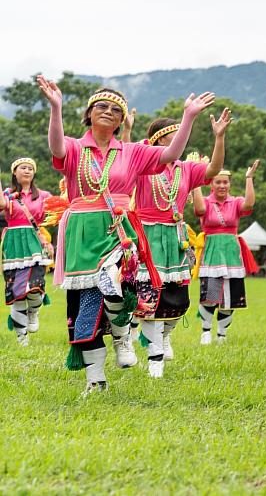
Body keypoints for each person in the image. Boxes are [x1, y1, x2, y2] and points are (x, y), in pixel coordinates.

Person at [37, 75, 214, 395]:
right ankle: (96, 381)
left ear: (121, 120)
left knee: (116, 286)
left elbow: (170, 155)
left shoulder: (132, 151)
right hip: (81, 229)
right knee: (85, 308)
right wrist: (56, 108)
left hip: (118, 228)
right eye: (100, 107)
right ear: (89, 114)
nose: (107, 112)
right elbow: (57, 146)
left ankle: (121, 333)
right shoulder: (77, 148)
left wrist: (188, 117)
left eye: (114, 109)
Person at [132, 109, 228, 377]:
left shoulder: (185, 168)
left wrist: (219, 138)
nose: (181, 141)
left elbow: (214, 169)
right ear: (162, 141)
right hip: (148, 235)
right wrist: (129, 132)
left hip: (176, 236)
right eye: (176, 135)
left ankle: (165, 334)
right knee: (148, 296)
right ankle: (155, 358)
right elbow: (126, 153)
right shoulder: (142, 163)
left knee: (178, 299)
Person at [191, 161, 259, 344]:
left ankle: (222, 333)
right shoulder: (205, 201)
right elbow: (199, 210)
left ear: (229, 184)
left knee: (231, 297)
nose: (222, 186)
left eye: (225, 182)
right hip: (212, 249)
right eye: (218, 182)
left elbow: (249, 204)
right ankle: (206, 330)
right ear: (211, 184)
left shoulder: (235, 202)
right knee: (210, 294)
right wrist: (196, 180)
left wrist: (249, 178)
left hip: (231, 251)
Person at [0, 158, 52, 345]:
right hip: (13, 244)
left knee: (36, 288)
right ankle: (22, 338)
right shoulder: (8, 195)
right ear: (15, 172)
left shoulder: (44, 195)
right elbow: (1, 204)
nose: (27, 171)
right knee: (17, 292)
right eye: (23, 168)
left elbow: (55, 212)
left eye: (30, 168)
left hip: (34, 242)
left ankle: (34, 311)